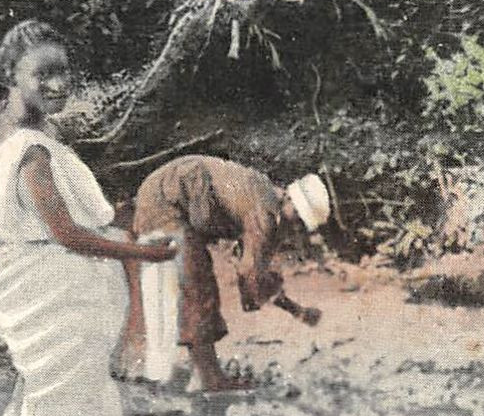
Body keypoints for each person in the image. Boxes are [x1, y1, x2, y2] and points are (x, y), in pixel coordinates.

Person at [0, 20, 178, 416]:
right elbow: (64, 233)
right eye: (43, 74)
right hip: (56, 298)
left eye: (63, 71)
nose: (59, 83)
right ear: (12, 78)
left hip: (55, 294)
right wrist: (140, 254)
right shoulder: (32, 151)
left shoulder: (31, 142)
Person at [124, 154, 330, 392]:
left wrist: (293, 309)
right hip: (166, 202)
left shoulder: (265, 197)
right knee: (198, 290)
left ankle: (197, 373)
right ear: (291, 203)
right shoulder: (265, 214)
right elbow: (250, 274)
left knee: (192, 284)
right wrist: (291, 309)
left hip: (163, 193)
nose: (297, 229)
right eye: (299, 221)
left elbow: (249, 269)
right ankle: (208, 378)